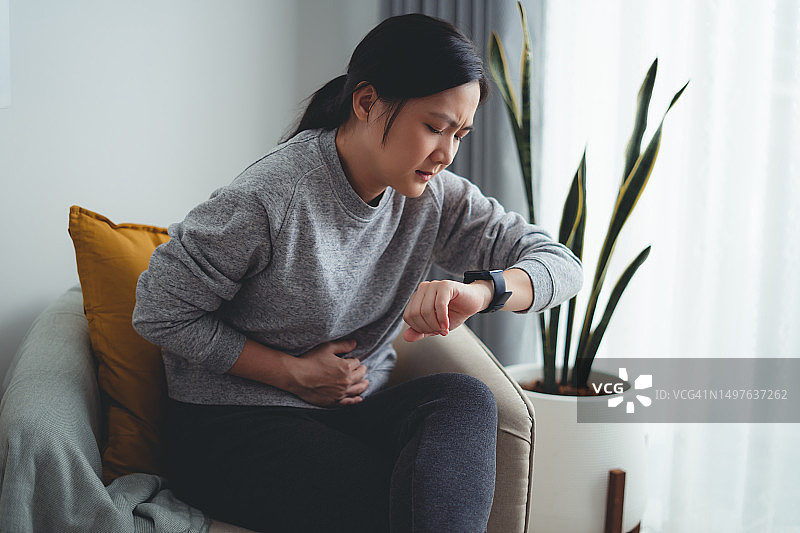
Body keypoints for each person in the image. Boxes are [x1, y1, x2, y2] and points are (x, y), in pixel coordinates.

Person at [133, 13, 582, 533]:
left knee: (465, 400)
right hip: (233, 426)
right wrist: (293, 373)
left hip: (346, 412)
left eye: (459, 134)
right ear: (367, 102)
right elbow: (159, 312)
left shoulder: (433, 196)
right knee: (405, 503)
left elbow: (562, 265)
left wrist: (483, 291)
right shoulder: (270, 197)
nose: (446, 154)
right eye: (434, 127)